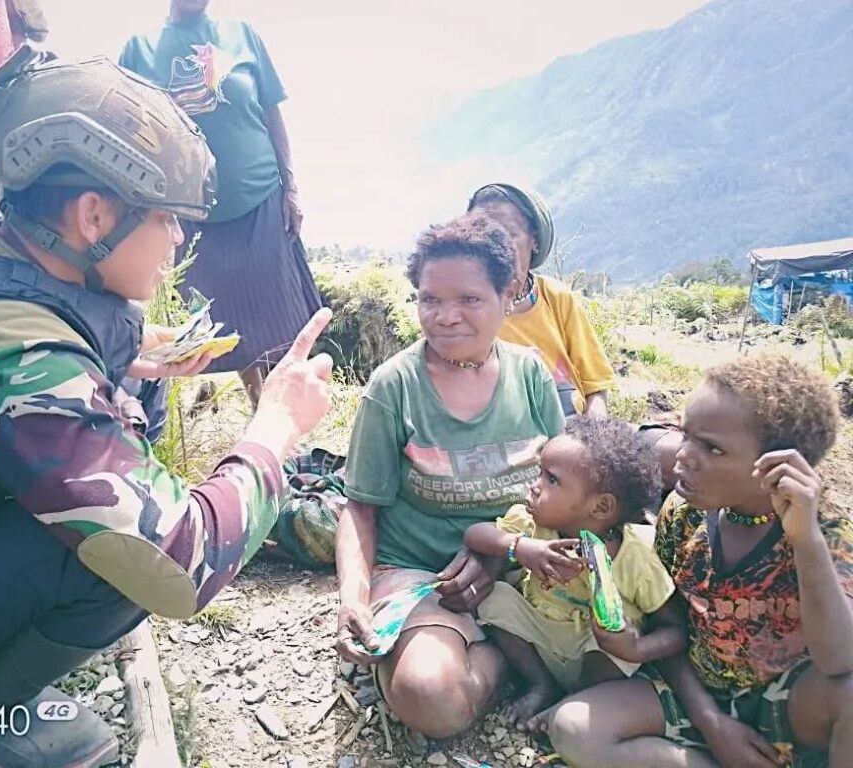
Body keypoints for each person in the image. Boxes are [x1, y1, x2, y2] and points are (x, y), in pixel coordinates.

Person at [0, 47, 334, 768]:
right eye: (168, 218)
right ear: (94, 214)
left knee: (118, 431)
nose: (181, 239)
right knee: (112, 552)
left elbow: (38, 333)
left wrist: (127, 357)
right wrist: (275, 426)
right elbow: (180, 566)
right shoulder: (21, 362)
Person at [545, 355, 853, 768]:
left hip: (785, 702)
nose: (683, 456)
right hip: (696, 691)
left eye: (711, 448)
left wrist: (806, 543)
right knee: (573, 729)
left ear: (777, 465)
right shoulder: (683, 513)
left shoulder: (825, 530)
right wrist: (712, 723)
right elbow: (667, 622)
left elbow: (838, 660)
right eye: (684, 435)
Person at [334, 213, 565, 739]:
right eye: (430, 299)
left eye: (469, 300)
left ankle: (501, 646)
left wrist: (497, 550)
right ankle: (504, 660)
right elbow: (360, 507)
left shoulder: (530, 375)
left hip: (520, 565)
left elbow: (566, 481)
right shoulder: (393, 386)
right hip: (425, 576)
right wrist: (352, 595)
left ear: (508, 297)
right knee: (429, 697)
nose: (445, 317)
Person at [119, 0, 322, 407]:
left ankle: (293, 407)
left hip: (261, 197)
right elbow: (129, 130)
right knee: (226, 320)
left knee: (279, 312)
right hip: (192, 212)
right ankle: (258, 405)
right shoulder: (139, 49)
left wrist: (291, 187)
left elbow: (270, 111)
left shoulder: (242, 34)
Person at [464, 416, 683, 731]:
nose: (534, 485)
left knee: (626, 637)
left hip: (596, 652)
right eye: (539, 472)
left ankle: (576, 699)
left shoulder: (634, 558)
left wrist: (635, 649)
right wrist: (519, 547)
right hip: (541, 636)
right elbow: (475, 534)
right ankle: (540, 684)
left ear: (600, 508)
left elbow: (675, 629)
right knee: (495, 597)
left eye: (551, 480)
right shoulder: (534, 526)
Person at [467, 183, 615, 418]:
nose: (493, 244)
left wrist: (594, 434)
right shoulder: (462, 311)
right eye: (481, 234)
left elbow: (595, 387)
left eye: (507, 234)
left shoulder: (556, 298)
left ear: (533, 240)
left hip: (576, 436)